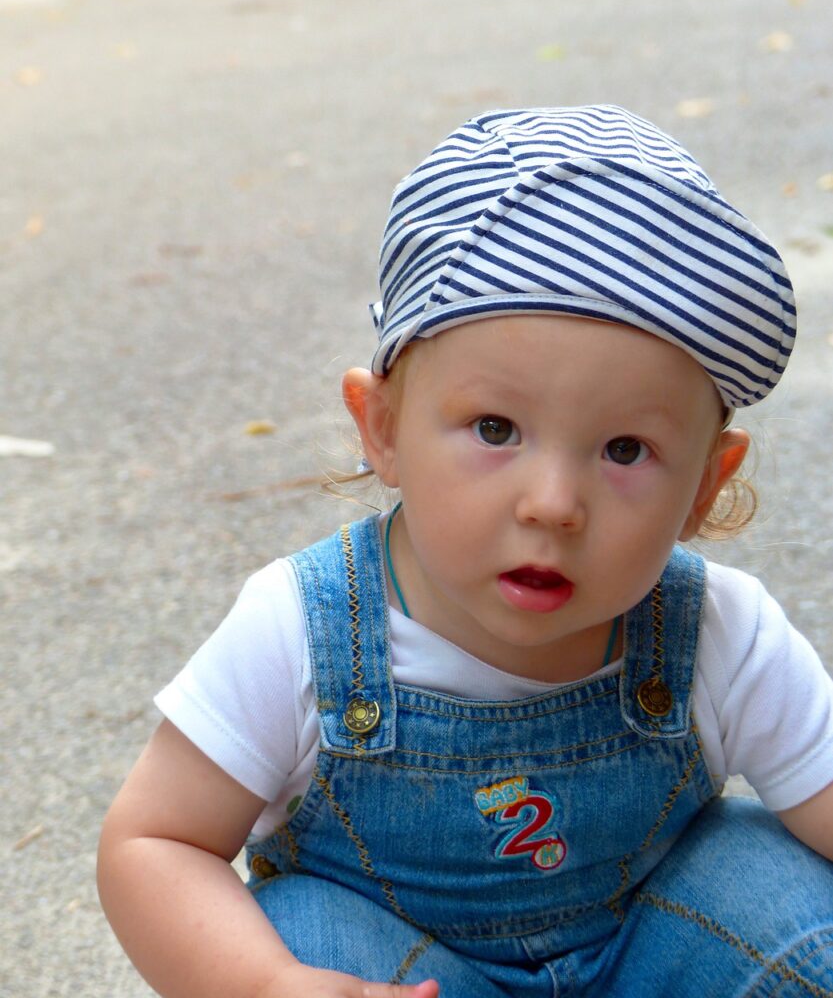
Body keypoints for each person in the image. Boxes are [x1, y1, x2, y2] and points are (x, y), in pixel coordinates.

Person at [98, 106, 833, 998]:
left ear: (705, 490)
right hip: (401, 969)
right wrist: (260, 984)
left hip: (650, 955)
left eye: (625, 451)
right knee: (299, 937)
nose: (553, 504)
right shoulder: (298, 629)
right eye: (496, 428)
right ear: (383, 427)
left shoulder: (718, 631)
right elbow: (156, 842)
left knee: (788, 903)